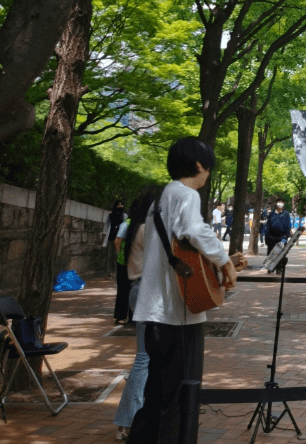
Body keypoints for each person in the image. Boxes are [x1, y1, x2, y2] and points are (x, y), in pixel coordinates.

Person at [127, 137, 242, 444]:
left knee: (155, 393)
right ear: (199, 165)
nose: (208, 176)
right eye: (208, 168)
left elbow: (179, 247)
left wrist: (219, 261)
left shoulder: (160, 199)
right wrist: (223, 261)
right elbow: (193, 229)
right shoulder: (186, 195)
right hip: (175, 315)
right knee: (179, 395)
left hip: (151, 312)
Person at [113, 184, 161, 440]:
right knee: (143, 359)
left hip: (137, 290)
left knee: (145, 358)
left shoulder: (134, 228)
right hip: (146, 291)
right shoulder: (146, 230)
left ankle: (128, 419)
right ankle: (128, 420)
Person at [104, 199, 126, 279]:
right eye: (118, 205)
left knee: (118, 256)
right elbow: (106, 227)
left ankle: (118, 273)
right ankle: (109, 273)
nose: (120, 207)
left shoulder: (124, 216)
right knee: (109, 256)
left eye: (121, 205)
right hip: (110, 238)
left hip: (119, 239)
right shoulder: (110, 216)